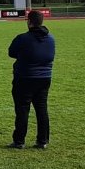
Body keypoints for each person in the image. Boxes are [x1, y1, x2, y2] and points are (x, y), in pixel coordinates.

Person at [8, 10, 55, 150]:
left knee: (22, 109)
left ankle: (19, 141)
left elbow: (11, 52)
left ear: (29, 22)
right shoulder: (51, 38)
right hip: (45, 78)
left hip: (25, 77)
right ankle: (43, 140)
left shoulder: (23, 38)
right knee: (42, 109)